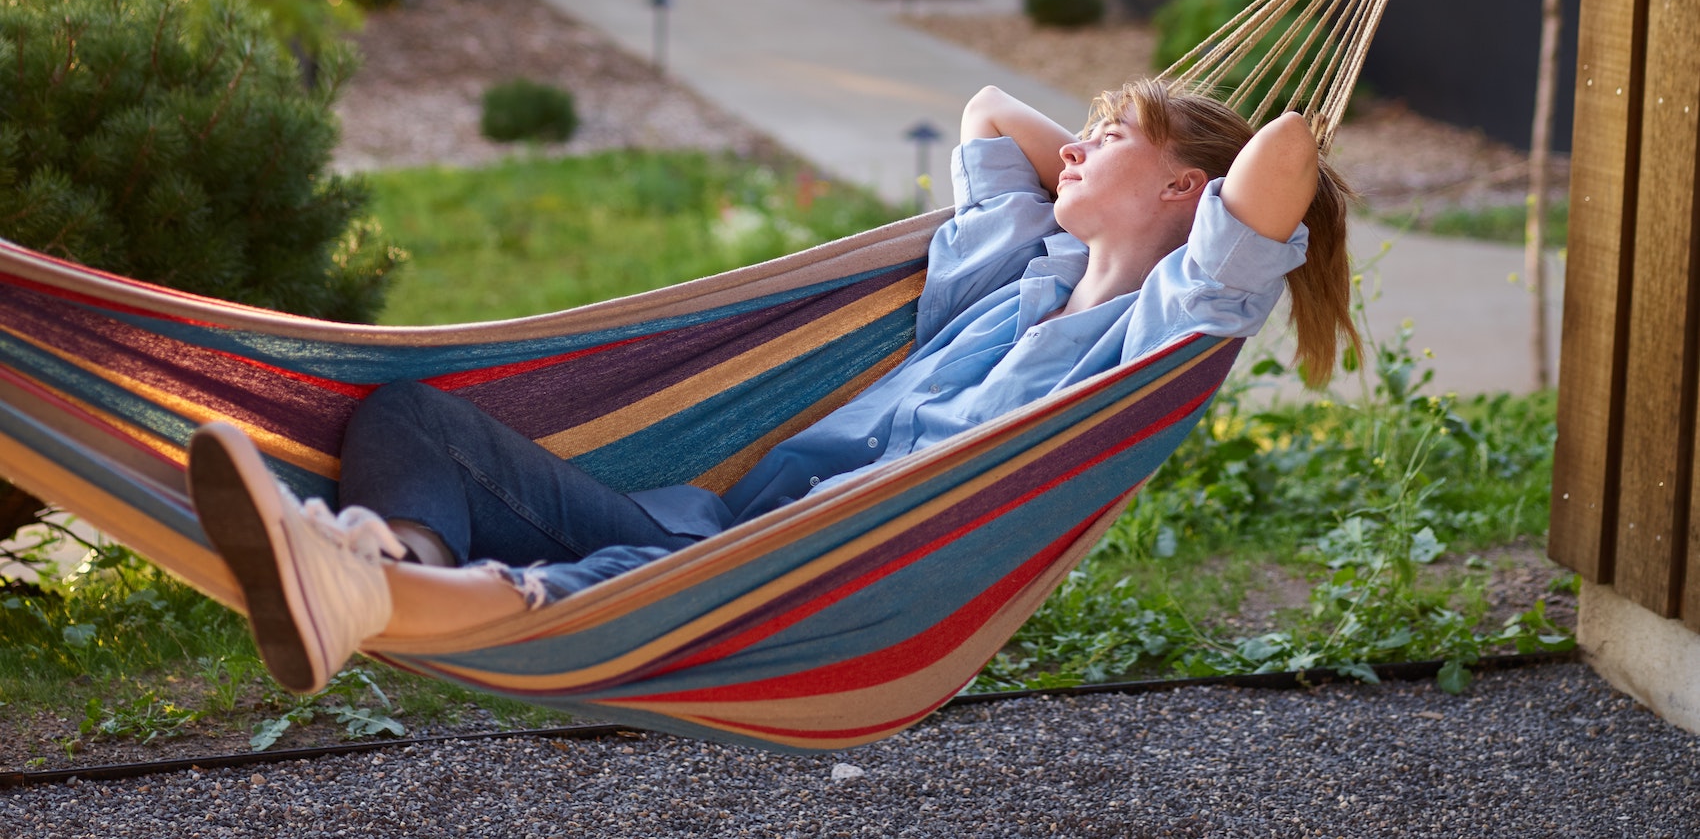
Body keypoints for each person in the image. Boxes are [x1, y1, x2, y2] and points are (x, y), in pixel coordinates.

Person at [188, 79, 1359, 695]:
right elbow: (989, 112)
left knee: (622, 591)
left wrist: (1189, 166)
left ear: (1185, 197)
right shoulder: (1017, 268)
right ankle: (386, 568)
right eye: (1089, 130)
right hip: (724, 532)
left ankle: (366, 591)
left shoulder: (1152, 338)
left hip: (827, 576)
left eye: (1111, 137)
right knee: (408, 417)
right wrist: (1117, 151)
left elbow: (1280, 162)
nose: (1080, 144)